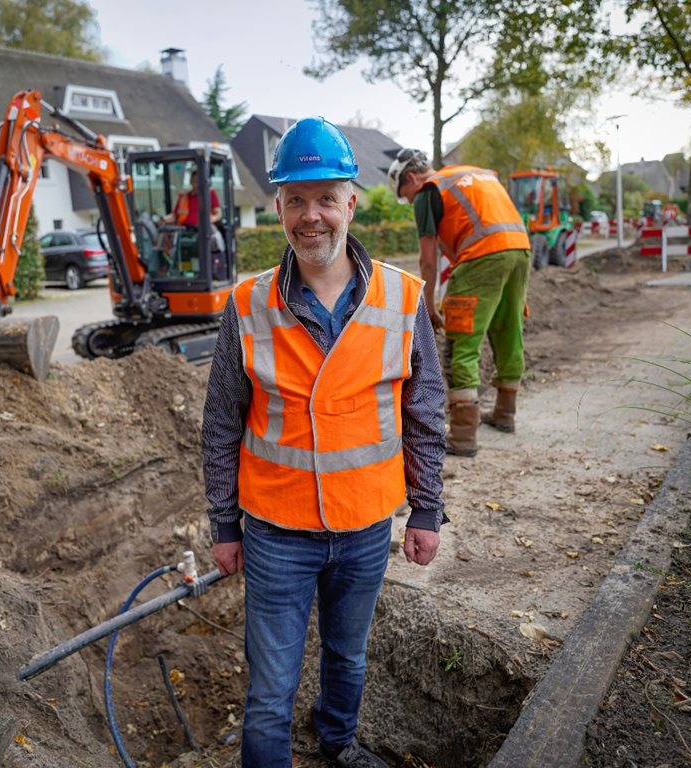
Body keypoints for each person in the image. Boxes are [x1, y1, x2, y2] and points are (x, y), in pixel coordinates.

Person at [201, 118, 447, 768]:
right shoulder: (247, 304)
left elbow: (424, 410)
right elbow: (222, 423)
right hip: (276, 533)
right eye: (296, 200)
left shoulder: (402, 297)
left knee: (349, 656)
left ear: (350, 203)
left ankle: (338, 746)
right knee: (270, 693)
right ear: (278, 206)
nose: (312, 216)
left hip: (367, 525)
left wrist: (426, 510)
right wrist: (225, 525)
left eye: (326, 199)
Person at [387, 149, 532, 454]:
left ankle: (463, 436)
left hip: (481, 257)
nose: (409, 202)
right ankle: (506, 414)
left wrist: (427, 304)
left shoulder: (428, 192)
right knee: (508, 332)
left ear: (411, 179)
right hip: (519, 250)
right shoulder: (473, 173)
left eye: (405, 195)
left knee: (461, 343)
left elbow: (428, 260)